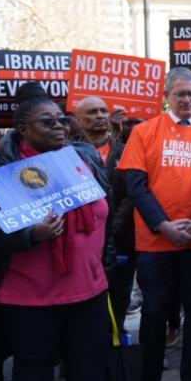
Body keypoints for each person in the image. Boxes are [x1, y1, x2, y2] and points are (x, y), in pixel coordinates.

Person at [0, 82, 136, 381]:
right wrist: (29, 235)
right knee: (34, 362)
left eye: (60, 119)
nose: (58, 126)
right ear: (22, 128)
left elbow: (106, 207)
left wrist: (102, 265)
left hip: (87, 282)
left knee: (87, 353)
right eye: (46, 121)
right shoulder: (0, 170)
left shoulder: (81, 157)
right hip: (30, 291)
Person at [116, 68, 191, 381]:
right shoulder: (145, 132)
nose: (188, 100)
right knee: (155, 315)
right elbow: (136, 186)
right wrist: (164, 226)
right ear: (167, 95)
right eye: (181, 94)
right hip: (156, 244)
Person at [73, 97, 137, 331]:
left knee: (120, 297)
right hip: (83, 242)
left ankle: (116, 348)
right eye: (92, 112)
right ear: (79, 121)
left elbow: (134, 191)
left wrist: (111, 225)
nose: (100, 115)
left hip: (121, 240)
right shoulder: (67, 154)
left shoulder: (126, 150)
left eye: (103, 111)